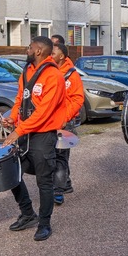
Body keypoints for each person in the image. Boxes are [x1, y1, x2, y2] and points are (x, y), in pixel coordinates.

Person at [1, 36, 67, 242]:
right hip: (25, 132)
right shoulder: (27, 71)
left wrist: (18, 131)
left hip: (43, 135)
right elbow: (20, 99)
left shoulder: (53, 76)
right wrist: (12, 117)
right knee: (11, 172)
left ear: (38, 51)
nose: (26, 49)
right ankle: (28, 213)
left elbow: (44, 112)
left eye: (29, 47)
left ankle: (44, 224)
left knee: (44, 182)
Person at [50, 43, 85, 205]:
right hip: (50, 121)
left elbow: (78, 99)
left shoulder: (72, 75)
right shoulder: (49, 71)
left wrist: (65, 117)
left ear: (62, 56)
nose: (50, 55)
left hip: (65, 121)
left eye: (53, 52)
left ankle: (57, 191)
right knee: (56, 155)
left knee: (61, 156)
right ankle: (66, 183)